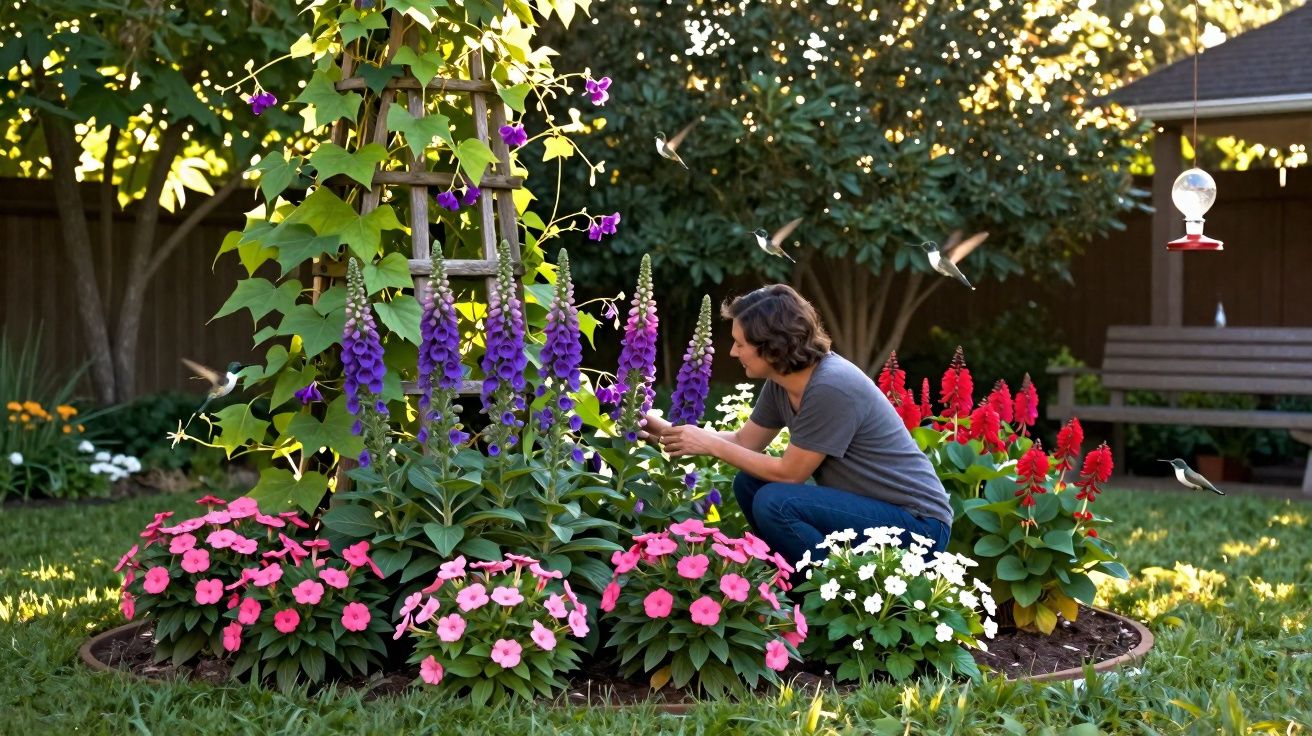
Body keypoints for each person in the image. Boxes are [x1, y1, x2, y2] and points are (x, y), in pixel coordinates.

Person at [643, 284, 952, 565]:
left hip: (919, 525)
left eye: (740, 344)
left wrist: (709, 444)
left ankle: (828, 596)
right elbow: (744, 442)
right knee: (750, 483)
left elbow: (791, 474)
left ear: (772, 346)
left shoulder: (832, 386)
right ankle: (790, 585)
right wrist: (670, 433)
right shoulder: (783, 382)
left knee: (776, 501)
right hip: (872, 511)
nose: (733, 352)